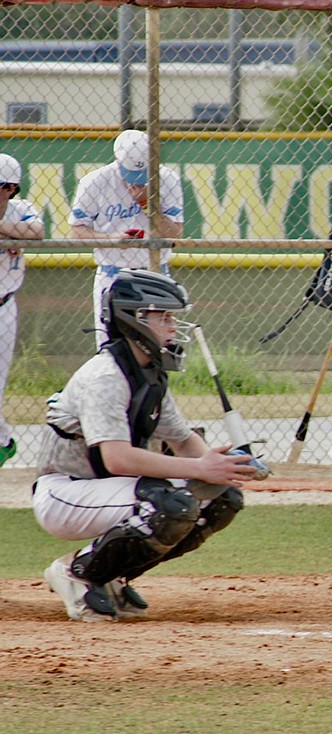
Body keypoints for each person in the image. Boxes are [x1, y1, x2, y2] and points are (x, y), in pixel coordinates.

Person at [33, 269, 258, 622]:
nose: (172, 326)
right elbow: (117, 457)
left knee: (221, 498)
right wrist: (199, 468)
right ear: (134, 320)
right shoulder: (105, 376)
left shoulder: (148, 373)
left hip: (105, 490)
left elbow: (182, 441)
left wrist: (228, 468)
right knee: (169, 505)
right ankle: (76, 573)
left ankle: (110, 578)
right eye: (163, 317)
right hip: (66, 492)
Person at [69, 130, 184, 349]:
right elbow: (77, 232)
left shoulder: (168, 179)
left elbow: (174, 234)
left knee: (156, 348)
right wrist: (111, 239)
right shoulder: (95, 182)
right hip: (113, 274)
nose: (137, 183)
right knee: (111, 347)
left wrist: (148, 204)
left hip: (154, 273)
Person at [0, 153, 45, 467]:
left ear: (11, 188)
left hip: (4, 306)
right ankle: (3, 440)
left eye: (3, 186)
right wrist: (9, 233)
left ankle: (3, 444)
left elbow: (36, 232)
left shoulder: (22, 208)